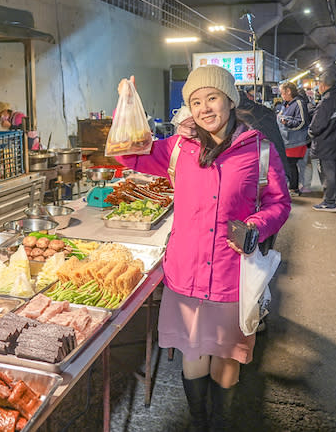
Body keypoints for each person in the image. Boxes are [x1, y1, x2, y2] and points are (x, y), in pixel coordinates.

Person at [110, 66, 290, 430]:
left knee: (226, 356)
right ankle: (199, 420)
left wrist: (255, 227)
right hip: (186, 272)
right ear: (189, 109)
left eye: (212, 98)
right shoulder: (178, 148)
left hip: (231, 273)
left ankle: (221, 421)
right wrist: (126, 105)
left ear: (229, 101)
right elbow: (126, 155)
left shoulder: (260, 150)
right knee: (193, 351)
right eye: (196, 101)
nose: (205, 108)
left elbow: (279, 203)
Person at [308, 72, 336, 211]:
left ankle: (329, 202)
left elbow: (316, 127)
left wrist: (310, 133)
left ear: (322, 85)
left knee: (328, 174)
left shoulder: (326, 102)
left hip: (327, 144)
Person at [277, 81, 310, 197]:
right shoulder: (286, 104)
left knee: (291, 164)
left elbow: (302, 122)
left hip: (296, 141)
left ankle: (294, 188)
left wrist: (287, 123)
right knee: (288, 164)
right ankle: (292, 186)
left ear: (288, 91)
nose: (281, 95)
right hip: (287, 140)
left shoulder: (299, 103)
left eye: (282, 92)